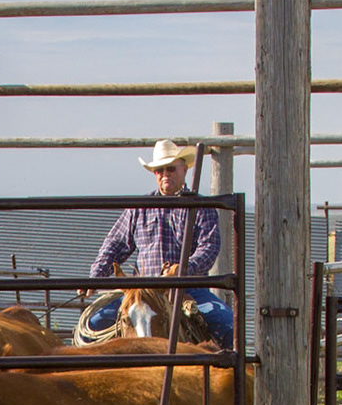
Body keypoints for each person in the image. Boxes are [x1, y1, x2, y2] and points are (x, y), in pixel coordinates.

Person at [86, 139, 235, 347]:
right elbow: (115, 243)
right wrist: (97, 276)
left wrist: (183, 269)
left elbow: (209, 247)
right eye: (159, 170)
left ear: (184, 169)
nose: (165, 174)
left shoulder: (201, 207)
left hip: (189, 289)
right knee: (91, 326)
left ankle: (230, 368)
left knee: (228, 327)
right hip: (141, 292)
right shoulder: (140, 207)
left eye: (171, 169)